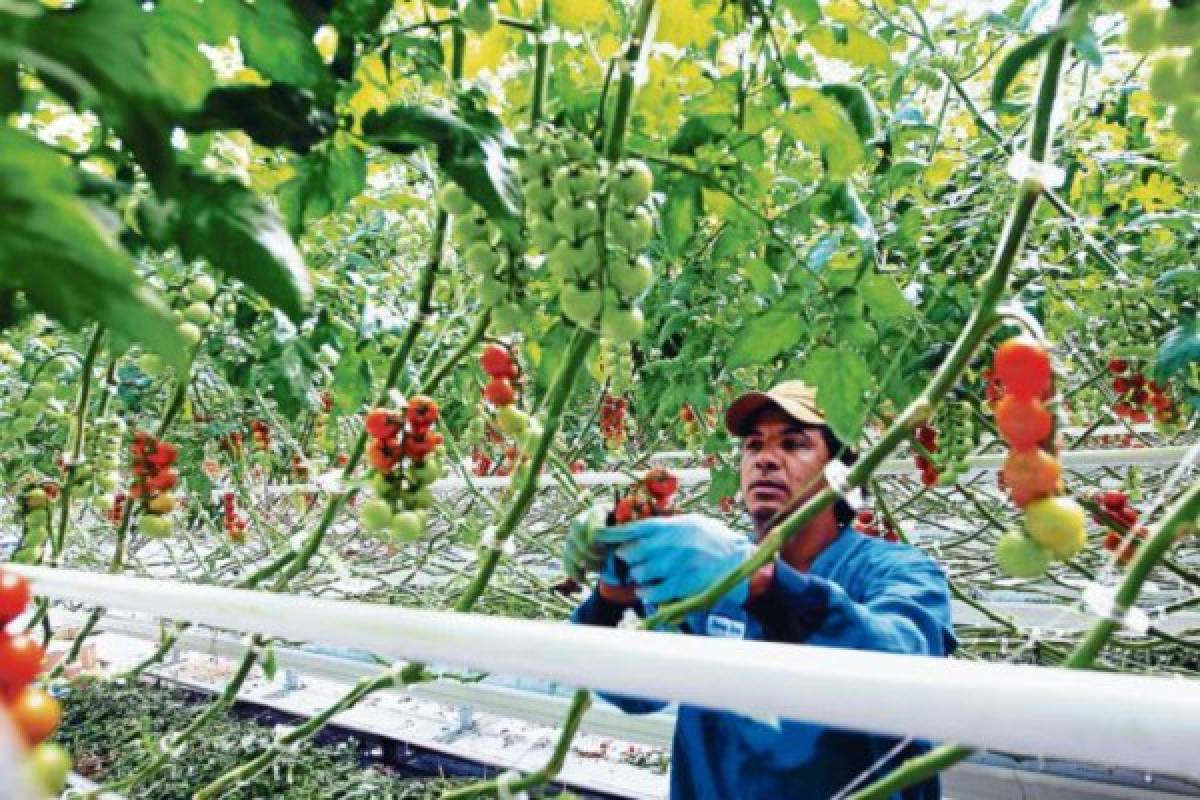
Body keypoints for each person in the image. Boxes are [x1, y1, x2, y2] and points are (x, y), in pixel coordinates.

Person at [563, 381, 956, 800]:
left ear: (842, 471)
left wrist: (763, 584)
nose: (766, 459)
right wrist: (610, 599)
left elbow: (902, 665)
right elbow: (637, 695)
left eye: (794, 443)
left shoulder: (898, 572)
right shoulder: (707, 581)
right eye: (753, 446)